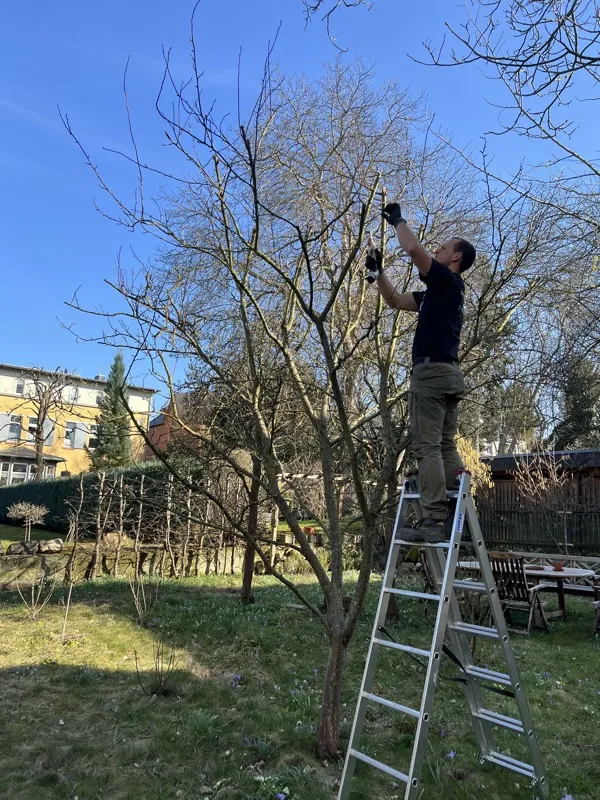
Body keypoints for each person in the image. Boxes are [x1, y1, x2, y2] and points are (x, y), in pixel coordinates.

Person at [366, 201, 476, 543]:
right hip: (449, 375)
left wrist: (397, 219)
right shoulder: (436, 295)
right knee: (443, 445)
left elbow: (413, 248)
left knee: (426, 447)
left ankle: (433, 520)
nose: (438, 250)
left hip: (431, 375)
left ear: (455, 259)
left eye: (443, 249)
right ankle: (458, 505)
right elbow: (396, 301)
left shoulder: (446, 281)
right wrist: (377, 274)